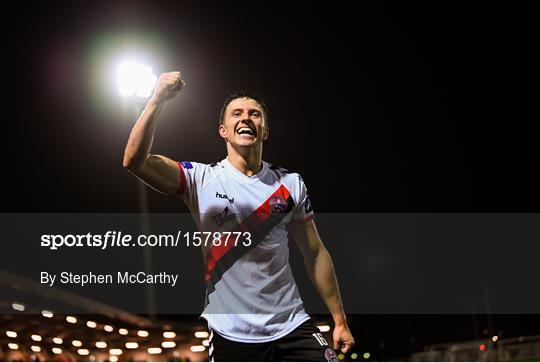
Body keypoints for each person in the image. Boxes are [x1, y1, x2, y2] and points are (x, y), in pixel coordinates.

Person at [123, 71, 355, 361]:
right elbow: (134, 161)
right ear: (223, 130)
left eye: (254, 114)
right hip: (231, 333)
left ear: (265, 131)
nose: (246, 118)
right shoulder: (200, 179)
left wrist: (340, 321)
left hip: (291, 324)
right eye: (237, 114)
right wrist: (157, 99)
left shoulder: (290, 184)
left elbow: (314, 252)